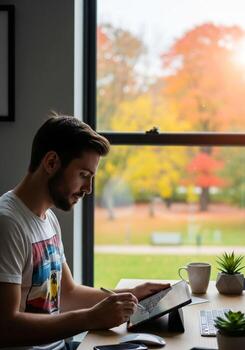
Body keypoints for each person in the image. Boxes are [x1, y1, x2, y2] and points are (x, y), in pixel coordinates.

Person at [0, 115, 170, 349]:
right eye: (83, 175)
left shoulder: (47, 218)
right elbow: (5, 326)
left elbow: (68, 293)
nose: (88, 189)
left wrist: (130, 295)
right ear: (51, 163)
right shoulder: (7, 224)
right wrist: (91, 318)